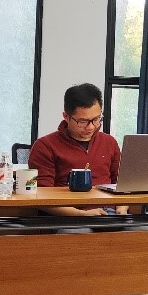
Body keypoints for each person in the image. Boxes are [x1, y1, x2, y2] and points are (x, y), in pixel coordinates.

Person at [28, 83, 126, 217]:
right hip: (68, 215)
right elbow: (41, 197)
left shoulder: (109, 142)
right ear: (66, 117)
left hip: (110, 212)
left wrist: (122, 208)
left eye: (96, 119)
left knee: (146, 228)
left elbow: (122, 185)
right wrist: (80, 214)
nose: (91, 127)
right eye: (82, 121)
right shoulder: (45, 146)